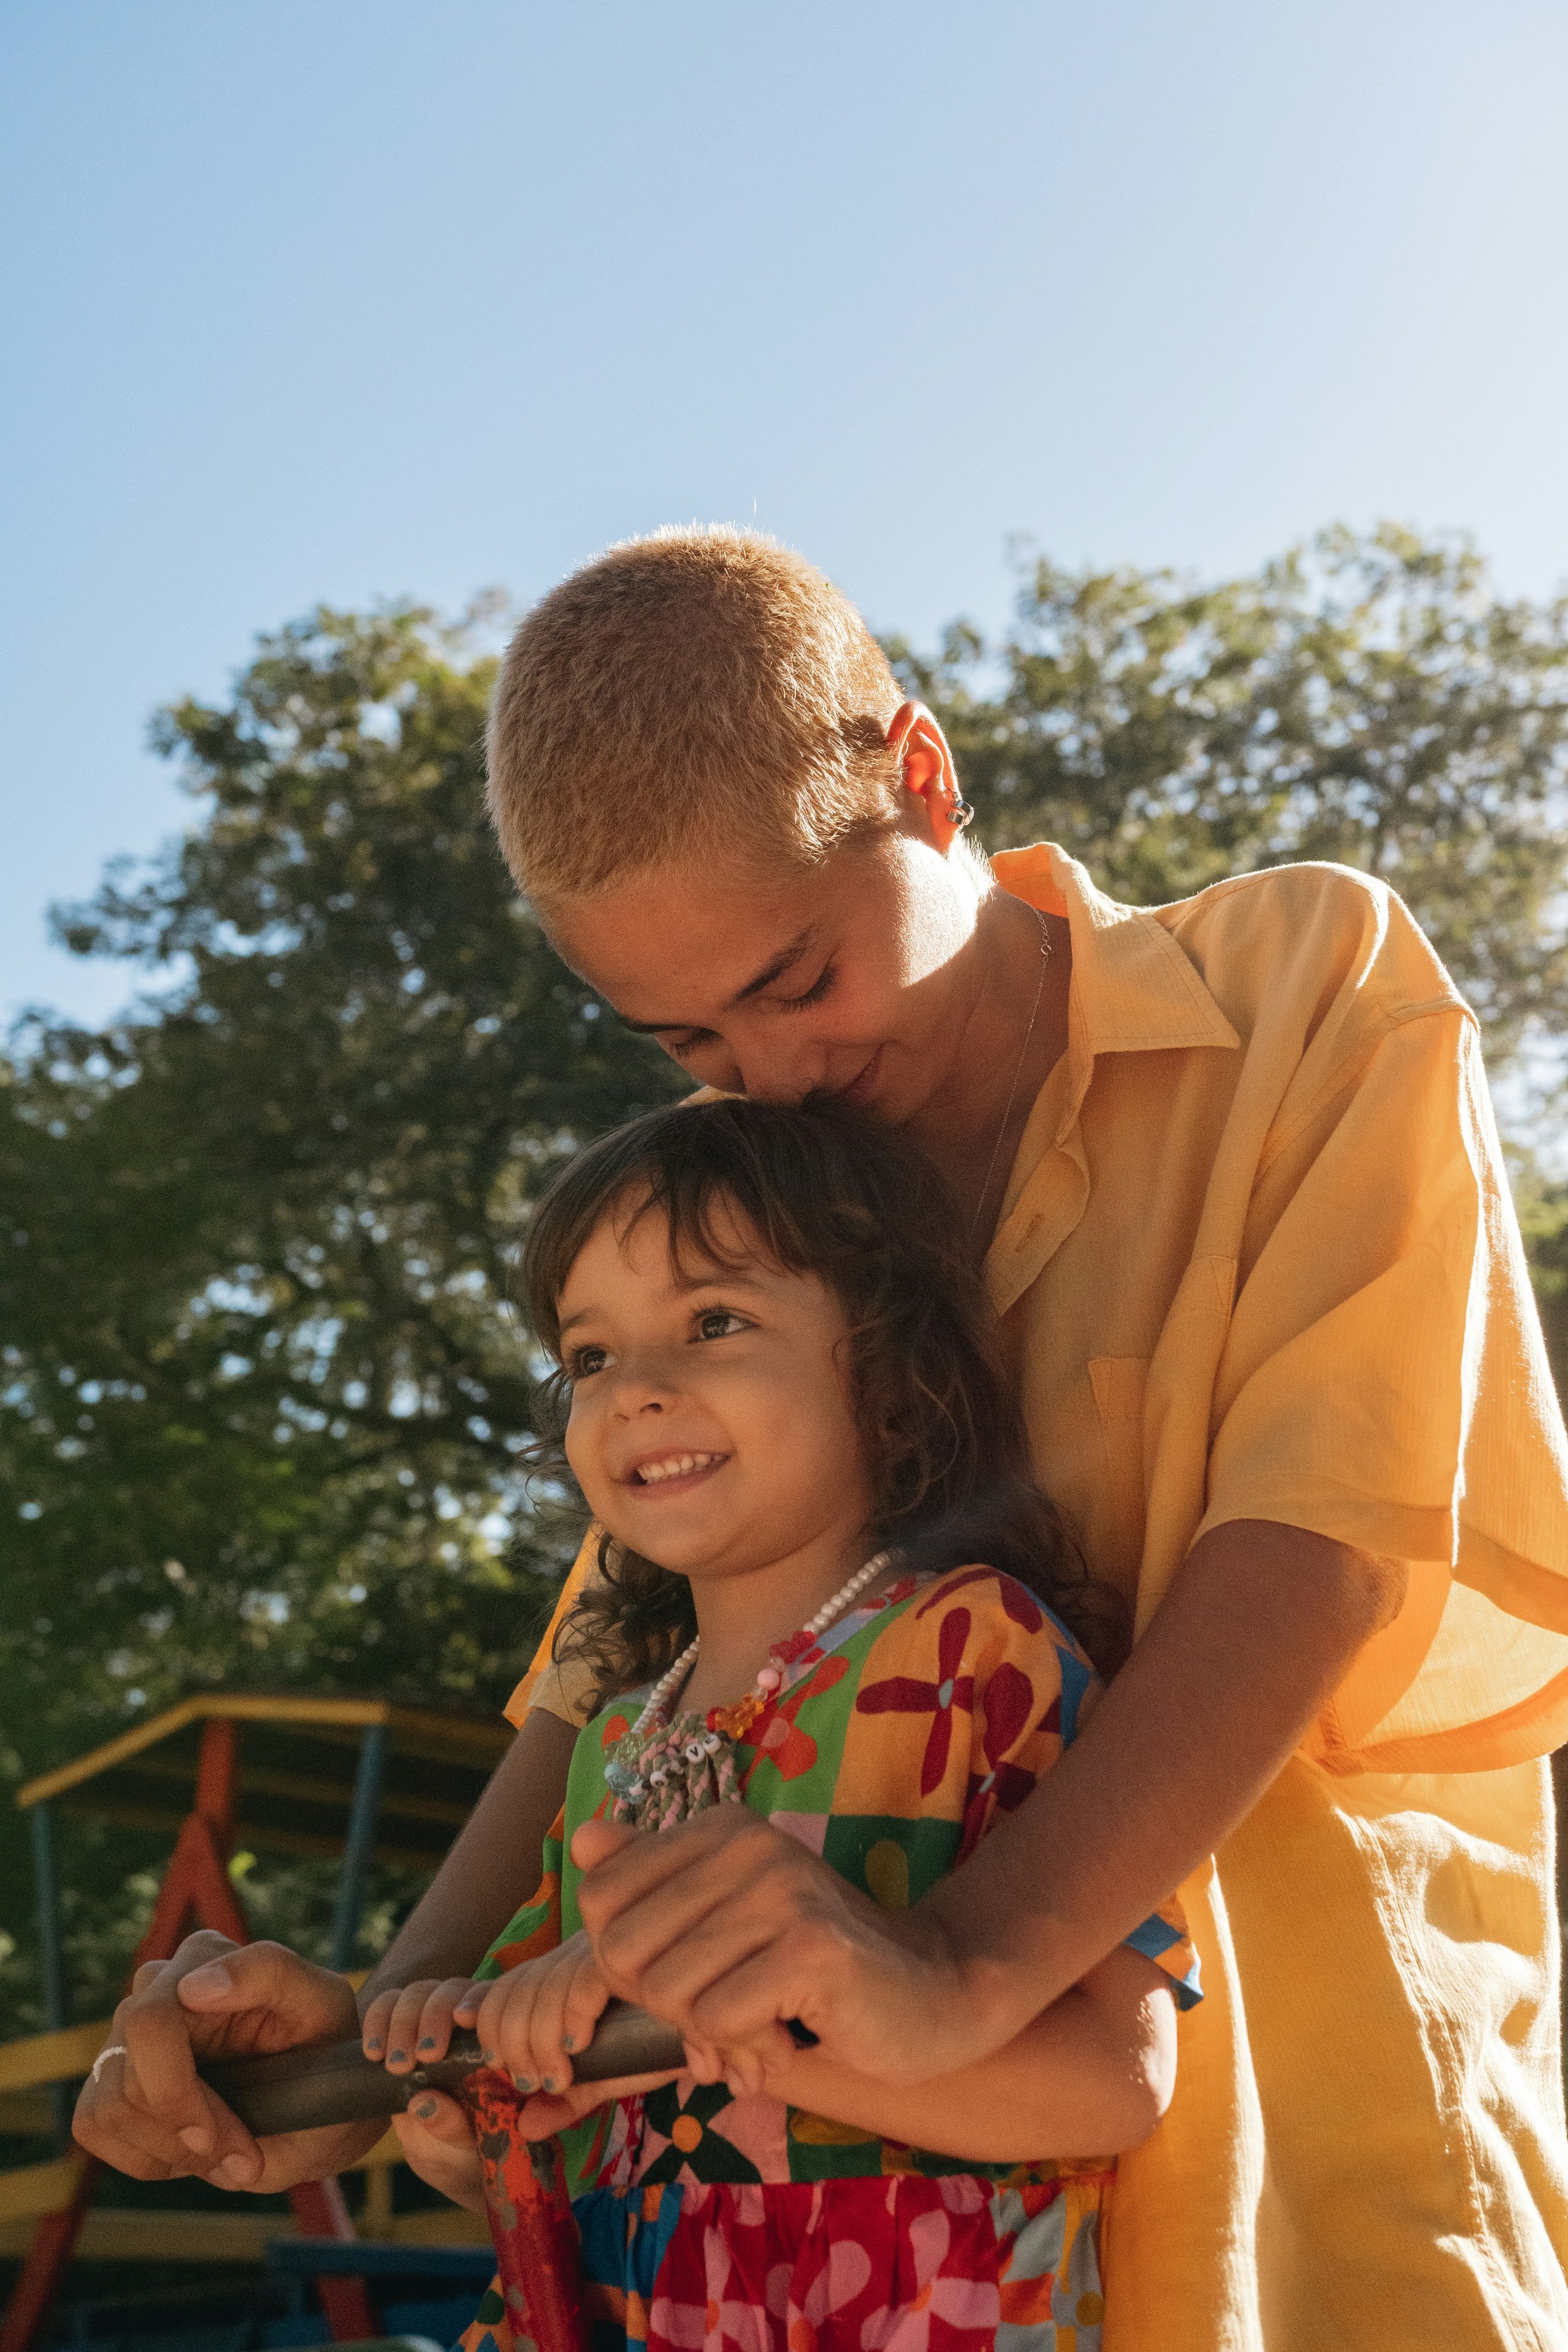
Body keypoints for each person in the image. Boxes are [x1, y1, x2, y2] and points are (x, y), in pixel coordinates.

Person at [77, 528, 1568, 2351]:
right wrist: (392, 2032)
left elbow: (1319, 1535)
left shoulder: (1301, 978)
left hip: (1313, 2177)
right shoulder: (759, 1204)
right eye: (687, 1039)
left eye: (796, 981)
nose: (770, 1074)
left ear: (917, 773)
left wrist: (960, 1959)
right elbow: (618, 1654)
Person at [377, 1092, 1200, 2351]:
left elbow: (1113, 2083)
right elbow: (574, 2137)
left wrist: (699, 2023)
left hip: (912, 2308)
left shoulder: (971, 1648)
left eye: (713, 1322)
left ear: (887, 1371)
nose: (635, 1391)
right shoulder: (608, 1742)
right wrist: (465, 2113)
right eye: (590, 1356)